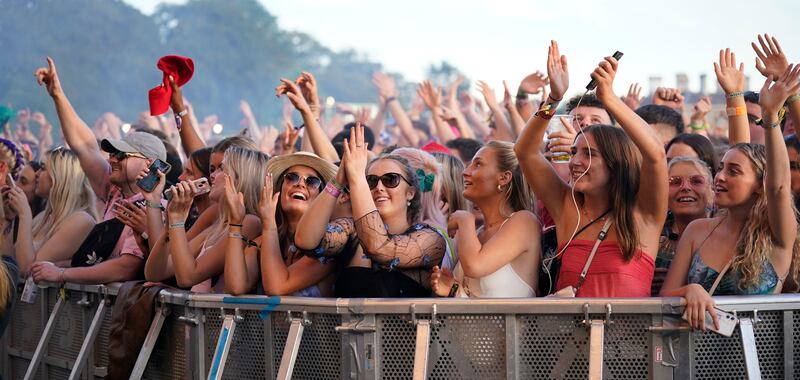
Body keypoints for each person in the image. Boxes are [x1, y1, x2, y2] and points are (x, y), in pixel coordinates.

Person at [516, 41, 667, 297]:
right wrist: (554, 99)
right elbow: (525, 151)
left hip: (631, 338)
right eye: (574, 152)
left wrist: (609, 99)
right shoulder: (567, 207)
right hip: (570, 337)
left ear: (616, 163)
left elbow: (656, 155)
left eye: (589, 154)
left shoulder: (644, 215)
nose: (575, 162)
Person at [661, 65, 800, 330]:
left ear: (761, 185)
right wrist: (689, 290)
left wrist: (771, 117)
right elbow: (665, 296)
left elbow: (780, 187)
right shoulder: (697, 231)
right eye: (721, 168)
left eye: (734, 171)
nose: (721, 177)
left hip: (755, 363)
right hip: (695, 360)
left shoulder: (777, 234)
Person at [30, 57, 167, 284]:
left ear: (150, 163)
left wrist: (62, 274)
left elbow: (126, 268)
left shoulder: (153, 209)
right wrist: (57, 94)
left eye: (122, 154)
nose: (112, 158)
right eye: (112, 153)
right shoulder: (114, 191)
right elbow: (84, 146)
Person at [295, 125, 446, 297]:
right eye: (371, 181)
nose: (379, 187)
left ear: (410, 193)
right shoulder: (352, 231)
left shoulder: (430, 239)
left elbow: (379, 248)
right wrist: (337, 181)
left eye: (391, 180)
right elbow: (305, 240)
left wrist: (358, 178)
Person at [144, 147, 265, 293]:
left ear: (239, 179)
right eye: (213, 169)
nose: (212, 176)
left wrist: (177, 221)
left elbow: (187, 278)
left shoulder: (250, 222)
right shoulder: (219, 221)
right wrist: (169, 225)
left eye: (221, 169)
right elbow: (155, 273)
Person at [431, 141, 540, 297]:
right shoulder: (478, 233)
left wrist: (465, 219)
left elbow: (475, 266)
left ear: (504, 178)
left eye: (478, 165)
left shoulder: (524, 221)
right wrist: (453, 289)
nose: (465, 172)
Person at [224, 151, 338, 296]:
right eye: (292, 177)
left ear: (321, 197)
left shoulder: (330, 244)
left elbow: (276, 288)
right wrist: (235, 223)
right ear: (279, 189)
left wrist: (269, 223)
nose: (300, 184)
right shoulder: (260, 243)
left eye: (312, 181)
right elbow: (236, 287)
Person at [7, 148, 98, 275]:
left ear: (60, 176)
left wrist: (24, 215)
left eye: (43, 168)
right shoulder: (43, 217)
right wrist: (8, 220)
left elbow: (27, 269)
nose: (37, 174)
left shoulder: (81, 220)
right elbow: (9, 262)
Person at [652, 157, 714, 295]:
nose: (685, 187)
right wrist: (644, 279)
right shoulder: (651, 239)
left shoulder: (727, 233)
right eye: (675, 182)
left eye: (696, 181)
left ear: (712, 191)